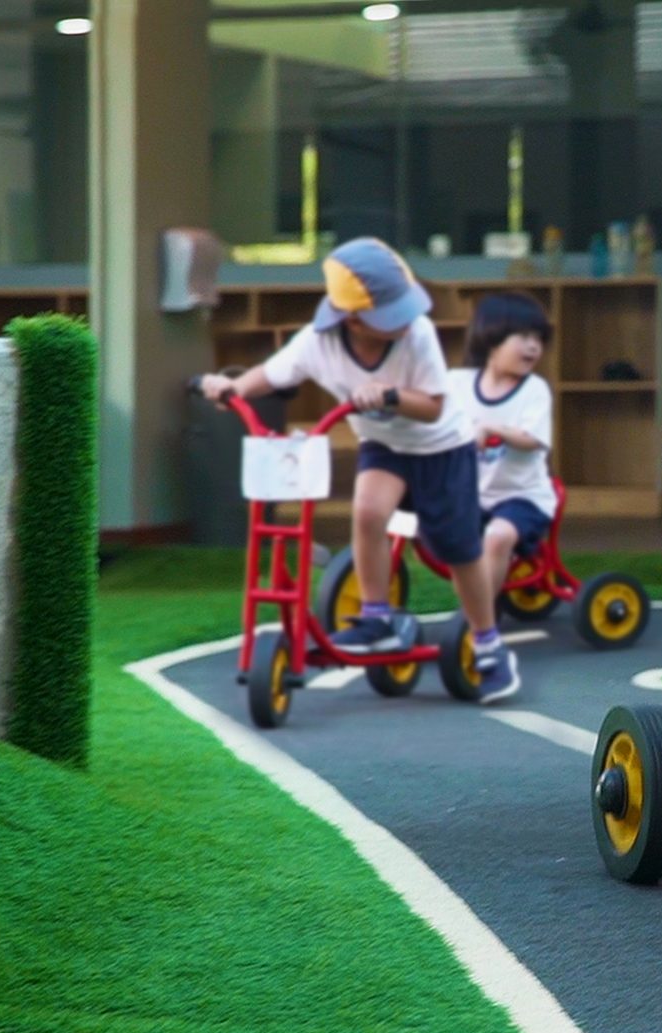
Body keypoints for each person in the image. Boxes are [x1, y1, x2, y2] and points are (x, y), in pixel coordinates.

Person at [198, 237, 521, 704]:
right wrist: (233, 387)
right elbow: (273, 373)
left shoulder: (417, 336)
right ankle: (377, 617)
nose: (406, 318)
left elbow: (432, 408)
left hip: (441, 448)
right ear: (351, 318)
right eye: (391, 311)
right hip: (384, 446)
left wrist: (389, 395)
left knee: (459, 549)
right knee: (367, 513)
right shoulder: (318, 343)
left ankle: (488, 642)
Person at [448, 292, 558, 604]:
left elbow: (530, 438)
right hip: (472, 497)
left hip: (522, 498)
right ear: (491, 338)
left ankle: (480, 619)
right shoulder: (456, 384)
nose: (534, 346)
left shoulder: (534, 390)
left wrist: (489, 428)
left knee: (497, 537)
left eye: (538, 338)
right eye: (523, 337)